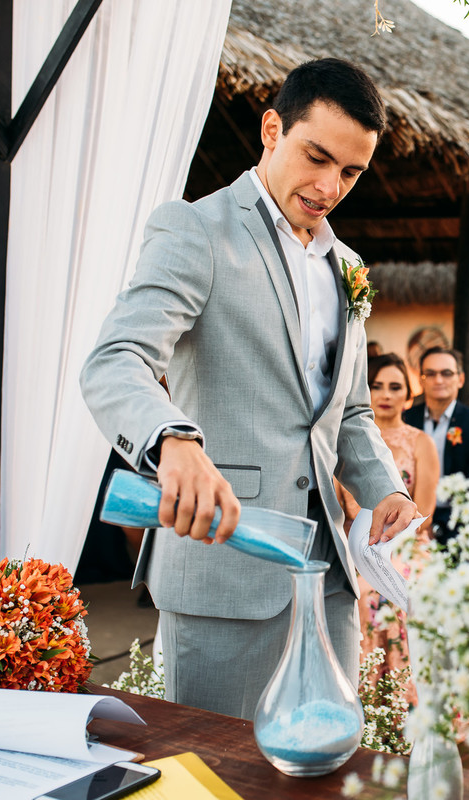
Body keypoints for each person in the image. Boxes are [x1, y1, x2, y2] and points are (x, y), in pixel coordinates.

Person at [80, 58, 417, 718]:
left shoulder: (349, 268)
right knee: (218, 776)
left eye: (350, 172)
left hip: (330, 582)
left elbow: (348, 412)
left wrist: (387, 492)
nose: (329, 186)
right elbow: (114, 358)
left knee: (327, 773)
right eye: (317, 156)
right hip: (223, 570)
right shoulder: (193, 230)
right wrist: (172, 441)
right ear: (271, 129)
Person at [335, 353, 438, 696]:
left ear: (409, 395)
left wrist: (391, 544)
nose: (385, 394)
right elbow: (338, 509)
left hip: (407, 542)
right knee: (360, 592)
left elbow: (425, 513)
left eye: (395, 387)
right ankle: (364, 696)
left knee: (407, 586)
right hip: (356, 541)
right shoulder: (341, 443)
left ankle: (408, 698)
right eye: (376, 385)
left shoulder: (419, 442)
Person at [403, 347, 469, 541]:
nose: (439, 380)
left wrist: (440, 526)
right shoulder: (406, 419)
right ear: (421, 379)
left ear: (460, 379)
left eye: (446, 373)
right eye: (431, 374)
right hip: (407, 523)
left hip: (458, 526)